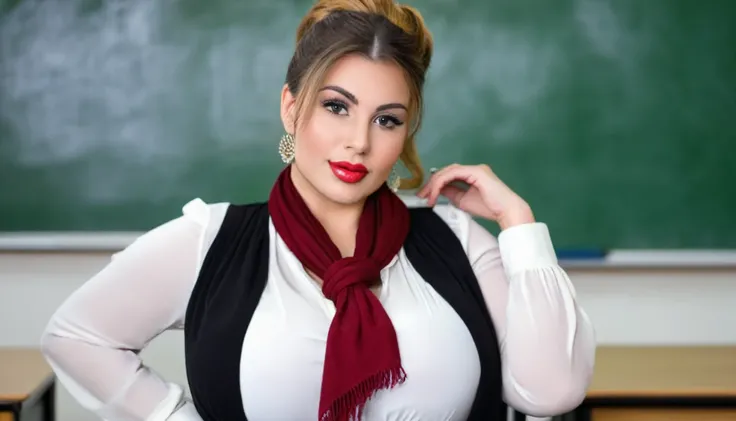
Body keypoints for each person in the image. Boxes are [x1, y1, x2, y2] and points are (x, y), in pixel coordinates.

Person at [40, 0, 596, 420]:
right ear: (290, 107)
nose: (359, 141)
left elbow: (550, 392)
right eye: (337, 107)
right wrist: (173, 416)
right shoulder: (211, 239)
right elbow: (76, 336)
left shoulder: (454, 238)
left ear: (406, 133)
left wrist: (518, 224)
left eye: (387, 120)